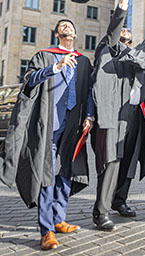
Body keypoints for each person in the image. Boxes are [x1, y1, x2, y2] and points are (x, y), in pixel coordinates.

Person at [0, 19, 94, 250]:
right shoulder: (44, 56)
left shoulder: (84, 61)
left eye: (71, 25)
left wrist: (90, 116)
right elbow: (29, 82)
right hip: (48, 126)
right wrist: (56, 67)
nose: (68, 27)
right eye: (63, 26)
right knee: (47, 176)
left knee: (65, 174)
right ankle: (46, 230)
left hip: (73, 127)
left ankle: (59, 219)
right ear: (57, 35)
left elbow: (90, 91)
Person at [91, 0, 145, 231]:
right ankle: (100, 211)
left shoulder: (137, 61)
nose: (125, 43)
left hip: (136, 117)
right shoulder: (107, 52)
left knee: (128, 161)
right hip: (113, 115)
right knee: (112, 161)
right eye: (122, 39)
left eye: (129, 40)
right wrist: (124, 1)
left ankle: (120, 200)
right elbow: (114, 30)